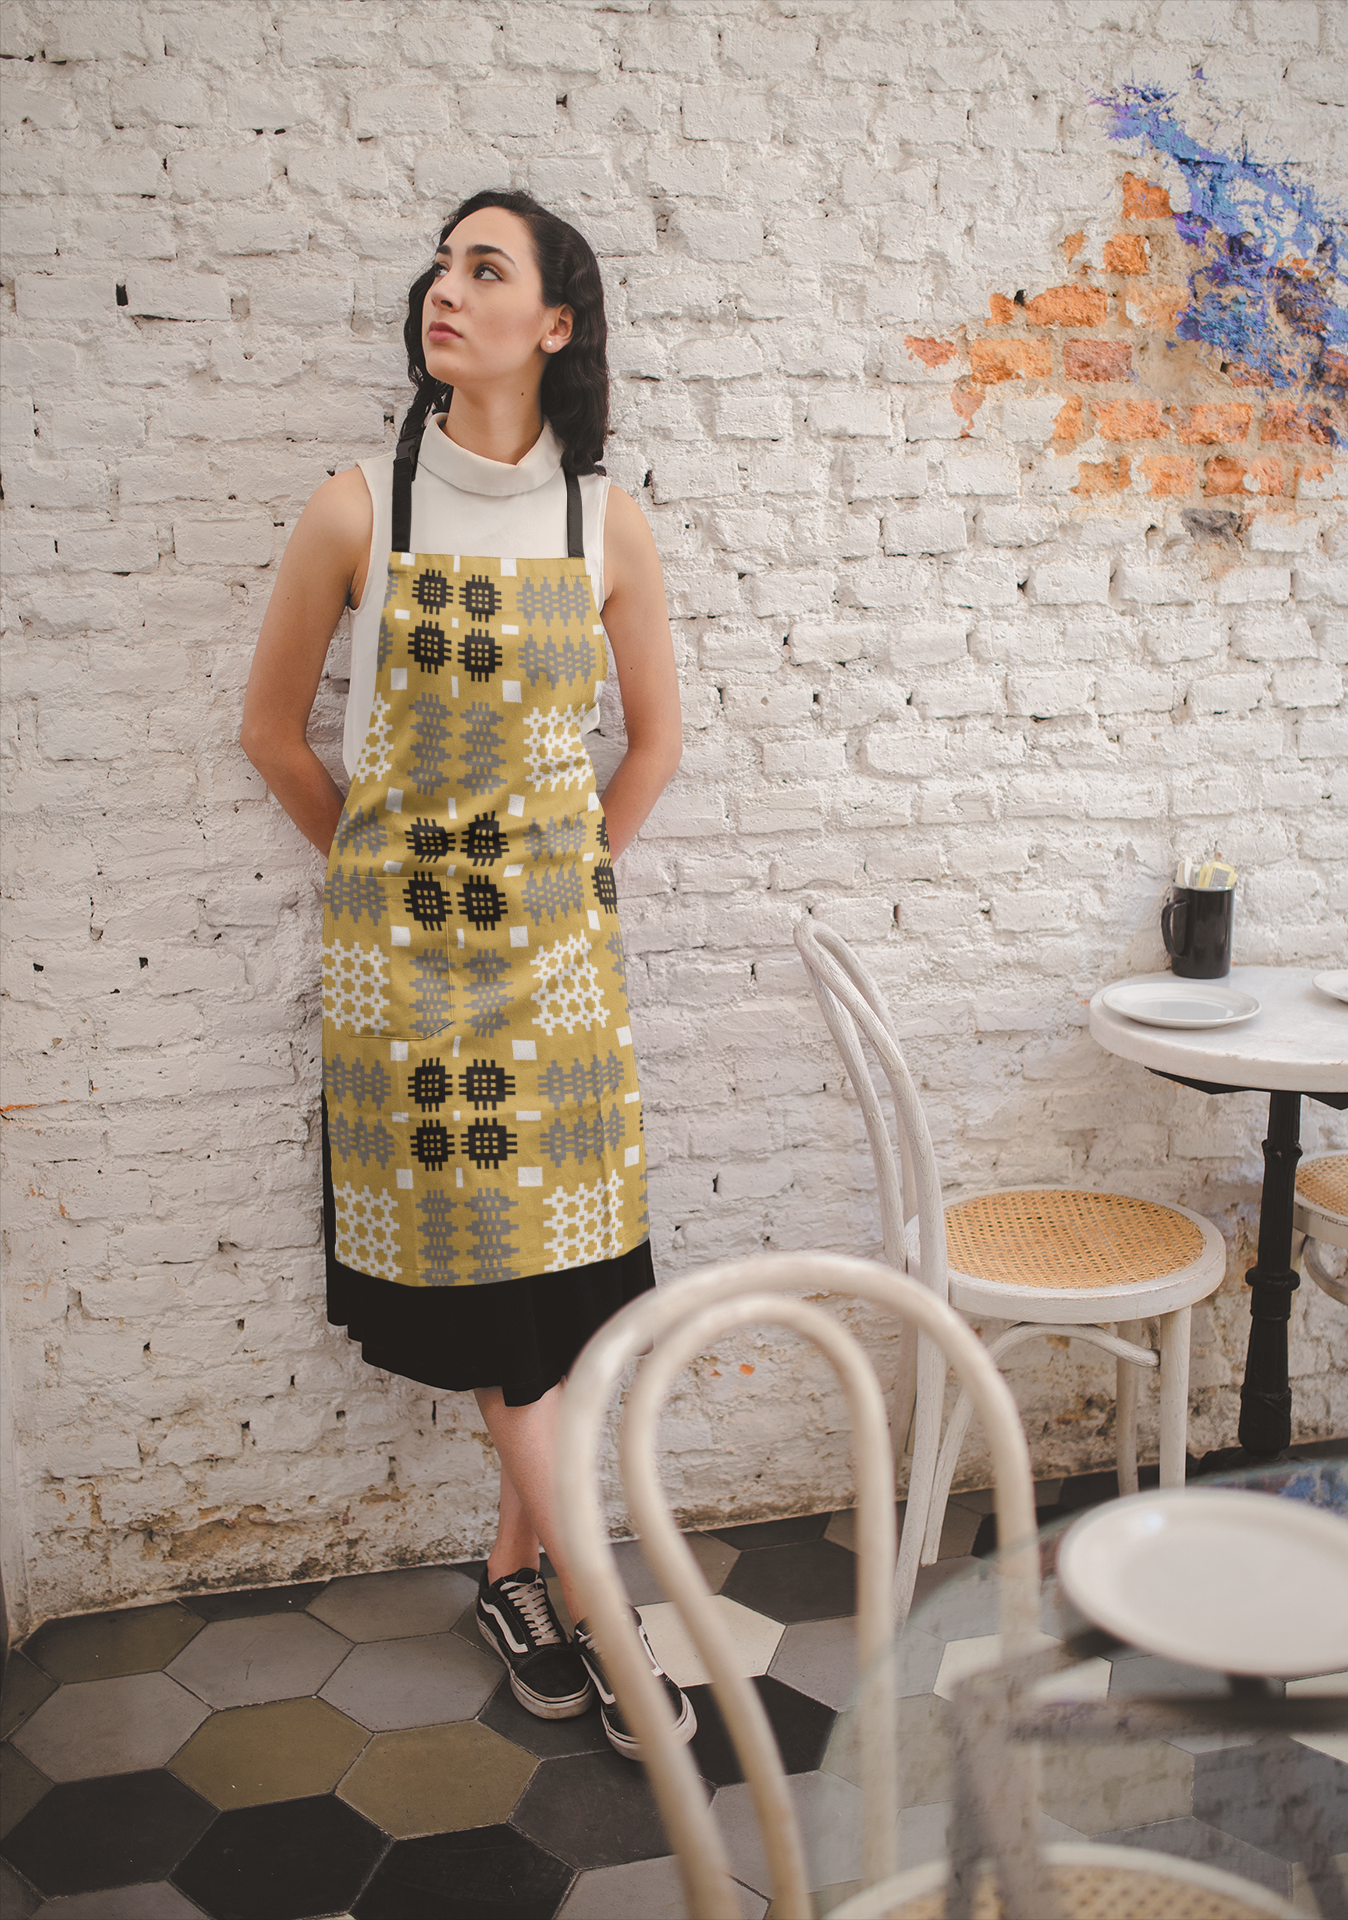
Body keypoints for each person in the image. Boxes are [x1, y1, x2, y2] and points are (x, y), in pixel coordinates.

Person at [241, 189, 688, 1757]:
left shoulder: (602, 523)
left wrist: (576, 884)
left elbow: (656, 742)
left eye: (483, 267)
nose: (446, 287)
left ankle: (515, 1576)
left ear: (553, 323)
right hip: (412, 989)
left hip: (558, 980)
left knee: (552, 1310)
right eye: (442, 263)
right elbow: (273, 733)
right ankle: (610, 1613)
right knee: (504, 1310)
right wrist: (384, 885)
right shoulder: (359, 509)